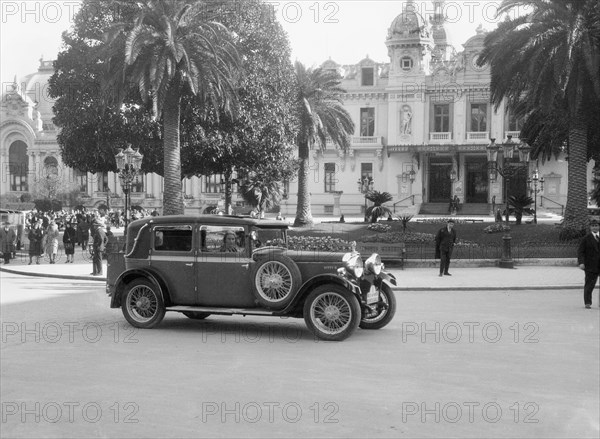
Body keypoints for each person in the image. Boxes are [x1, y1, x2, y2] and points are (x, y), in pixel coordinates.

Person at [577, 219, 600, 309]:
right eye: (593, 225)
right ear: (590, 227)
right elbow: (581, 252)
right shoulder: (586, 238)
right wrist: (581, 262)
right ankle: (587, 302)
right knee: (590, 285)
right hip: (591, 265)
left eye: (597, 225)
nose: (595, 227)